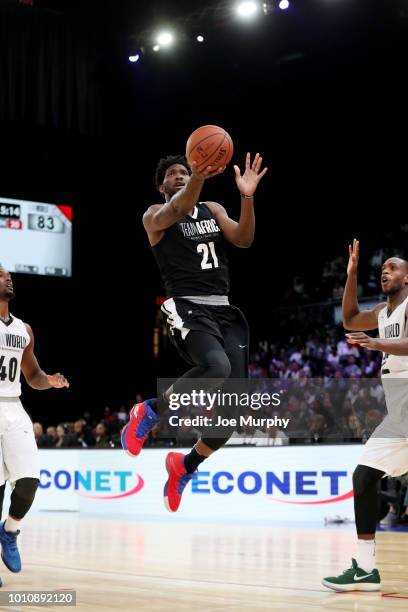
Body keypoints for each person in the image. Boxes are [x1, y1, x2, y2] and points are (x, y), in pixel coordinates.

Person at [121, 152, 267, 512]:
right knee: (216, 367)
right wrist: (200, 173)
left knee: (233, 414)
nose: (181, 177)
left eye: (185, 172)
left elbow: (244, 239)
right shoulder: (155, 218)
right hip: (186, 306)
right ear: (161, 187)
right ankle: (150, 411)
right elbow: (178, 207)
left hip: (225, 310)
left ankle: (184, 466)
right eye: (173, 174)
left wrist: (246, 196)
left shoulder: (213, 209)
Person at [322, 240, 408, 591]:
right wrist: (352, 273)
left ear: (407, 279)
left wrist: (376, 344)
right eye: (382, 268)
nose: (385, 271)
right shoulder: (382, 313)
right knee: (363, 478)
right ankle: (365, 568)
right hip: (398, 409)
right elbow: (349, 319)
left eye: (393, 268)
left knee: (364, 478)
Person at [0, 265, 69, 585]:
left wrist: (49, 381)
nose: (8, 277)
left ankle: (10, 531)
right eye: (1, 275)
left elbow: (33, 376)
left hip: (14, 407)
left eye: (8, 274)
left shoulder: (24, 329)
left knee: (28, 482)